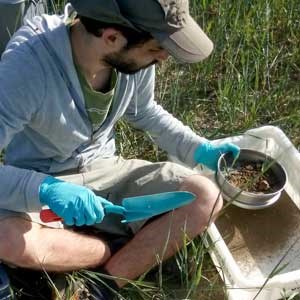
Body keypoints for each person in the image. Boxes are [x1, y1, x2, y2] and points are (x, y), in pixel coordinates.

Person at [0, 0, 240, 298]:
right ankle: (107, 250)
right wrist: (45, 188)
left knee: (206, 198)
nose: (163, 57)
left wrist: (200, 148)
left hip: (107, 169)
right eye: (156, 49)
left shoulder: (130, 57)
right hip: (45, 179)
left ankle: (99, 286)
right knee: (7, 239)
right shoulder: (29, 65)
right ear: (112, 37)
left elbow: (145, 111)